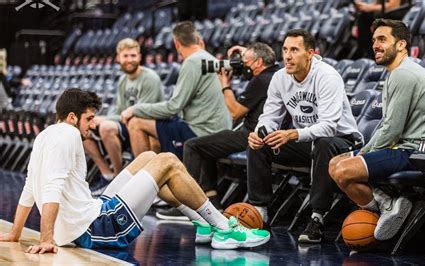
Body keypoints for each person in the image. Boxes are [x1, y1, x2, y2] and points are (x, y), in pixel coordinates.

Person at [0, 88, 270, 253]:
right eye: (89, 119)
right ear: (72, 117)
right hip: (96, 228)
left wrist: (16, 233)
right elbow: (51, 187)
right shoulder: (69, 135)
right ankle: (224, 227)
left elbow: (29, 186)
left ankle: (202, 224)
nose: (92, 125)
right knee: (167, 161)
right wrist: (47, 238)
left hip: (93, 212)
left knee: (149, 158)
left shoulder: (46, 135)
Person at [329, 19, 425, 241]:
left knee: (343, 170)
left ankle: (387, 207)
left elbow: (391, 129)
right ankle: (386, 203)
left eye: (382, 39)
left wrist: (363, 154)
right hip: (401, 146)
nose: (375, 45)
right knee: (335, 164)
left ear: (401, 44)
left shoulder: (404, 74)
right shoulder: (396, 72)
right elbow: (388, 126)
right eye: (373, 40)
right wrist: (363, 151)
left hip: (417, 152)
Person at [247, 29, 362, 243]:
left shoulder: (327, 76)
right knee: (258, 143)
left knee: (323, 143)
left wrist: (292, 134)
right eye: (285, 50)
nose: (287, 56)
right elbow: (269, 116)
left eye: (294, 50)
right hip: (306, 140)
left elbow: (328, 127)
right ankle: (259, 212)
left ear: (310, 53)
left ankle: (317, 218)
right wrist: (260, 131)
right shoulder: (280, 78)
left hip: (343, 142)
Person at [165, 43, 279, 220]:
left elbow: (235, 112)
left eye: (246, 62)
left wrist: (225, 85)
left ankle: (188, 205)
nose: (243, 66)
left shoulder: (261, 80)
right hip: (258, 132)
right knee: (207, 146)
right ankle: (212, 201)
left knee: (193, 146)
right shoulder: (275, 75)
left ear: (259, 63)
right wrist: (246, 52)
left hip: (250, 135)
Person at [121, 21, 232, 160]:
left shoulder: (192, 62)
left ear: (177, 43)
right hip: (219, 131)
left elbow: (173, 107)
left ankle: (143, 178)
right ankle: (157, 177)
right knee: (156, 128)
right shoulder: (208, 58)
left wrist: (135, 109)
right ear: (198, 40)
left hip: (203, 133)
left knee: (136, 123)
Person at [82, 38, 164, 191]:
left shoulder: (150, 78)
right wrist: (97, 119)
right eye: (126, 56)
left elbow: (142, 114)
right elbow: (120, 110)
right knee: (83, 127)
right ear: (118, 58)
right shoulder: (122, 80)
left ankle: (120, 180)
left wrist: (105, 119)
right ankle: (107, 175)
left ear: (140, 57)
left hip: (144, 127)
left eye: (133, 56)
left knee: (106, 127)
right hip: (127, 123)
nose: (130, 60)